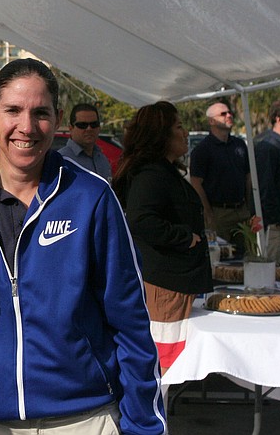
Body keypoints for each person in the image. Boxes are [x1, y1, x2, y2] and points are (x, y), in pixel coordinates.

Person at [0, 58, 165, 435]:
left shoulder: (91, 197)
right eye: (13, 110)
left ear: (58, 118)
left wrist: (145, 425)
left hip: (83, 419)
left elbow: (130, 321)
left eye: (41, 113)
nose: (27, 127)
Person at [112, 101, 211, 385]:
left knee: (168, 362)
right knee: (162, 369)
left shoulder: (162, 172)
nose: (185, 132)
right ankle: (154, 413)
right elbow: (141, 220)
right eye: (179, 127)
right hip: (164, 286)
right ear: (161, 134)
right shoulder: (151, 174)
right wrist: (184, 238)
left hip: (173, 284)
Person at [189, 101, 252, 258]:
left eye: (230, 112)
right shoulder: (202, 150)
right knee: (221, 257)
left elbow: (248, 177)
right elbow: (196, 183)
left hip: (241, 210)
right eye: (223, 114)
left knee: (246, 256)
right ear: (211, 121)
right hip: (218, 213)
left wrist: (250, 207)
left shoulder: (239, 145)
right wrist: (208, 212)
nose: (229, 115)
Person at [254, 99, 280, 263]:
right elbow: (265, 187)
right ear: (279, 119)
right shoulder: (268, 146)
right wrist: (277, 220)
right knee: (274, 268)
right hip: (276, 225)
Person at [57, 102, 113, 180]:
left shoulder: (102, 159)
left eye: (94, 124)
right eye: (82, 125)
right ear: (71, 128)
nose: (89, 129)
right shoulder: (61, 160)